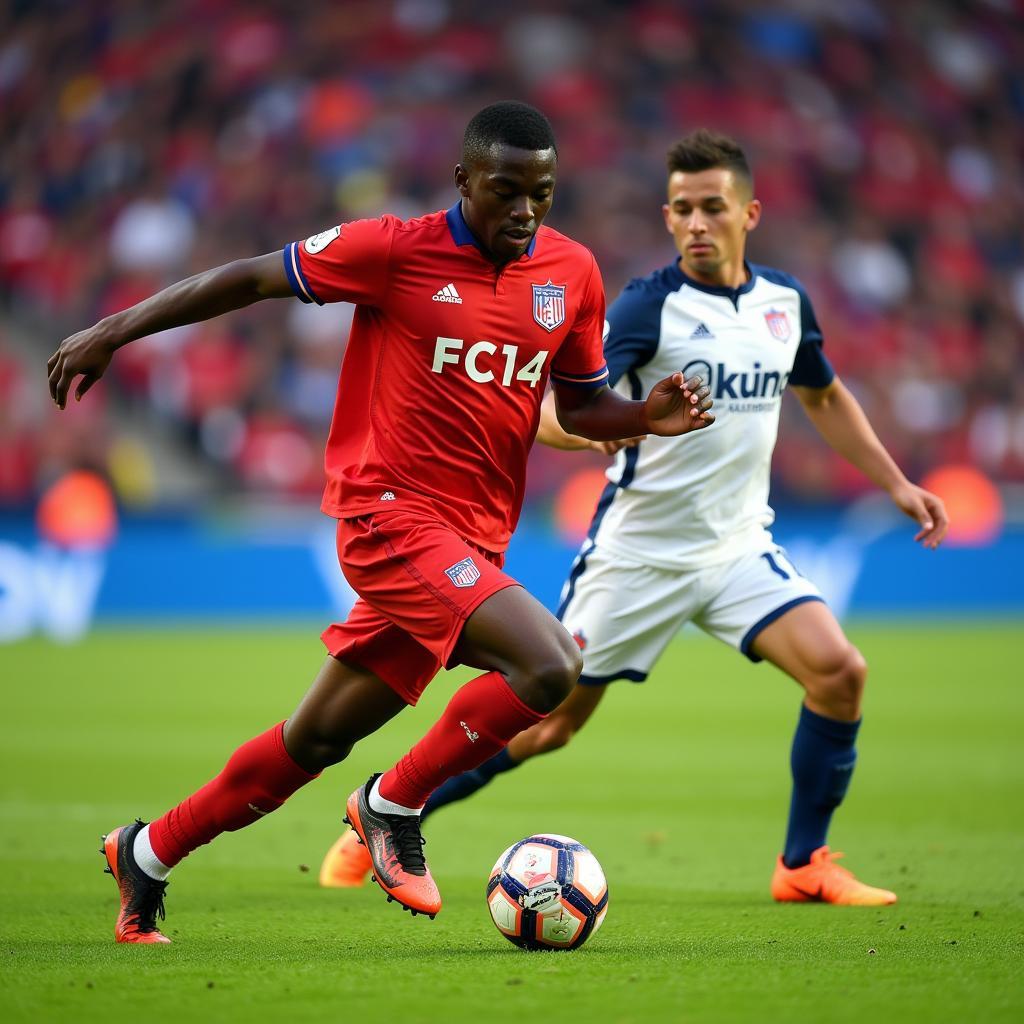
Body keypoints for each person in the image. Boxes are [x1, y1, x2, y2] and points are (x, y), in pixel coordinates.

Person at [47, 102, 714, 943]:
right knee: (551, 666)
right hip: (387, 517)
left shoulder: (571, 273)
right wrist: (114, 331)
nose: (525, 210)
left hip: (471, 540)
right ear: (463, 180)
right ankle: (392, 803)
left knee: (312, 739)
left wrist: (641, 419)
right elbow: (252, 276)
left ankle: (147, 852)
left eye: (541, 193)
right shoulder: (393, 250)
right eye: (506, 190)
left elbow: (580, 408)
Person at [319, 129, 949, 907]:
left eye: (712, 208)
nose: (695, 223)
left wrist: (895, 483)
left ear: (749, 213)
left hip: (738, 547)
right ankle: (383, 814)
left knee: (840, 672)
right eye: (681, 209)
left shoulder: (785, 304)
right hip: (637, 555)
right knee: (547, 723)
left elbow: (822, 393)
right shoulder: (649, 307)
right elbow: (557, 405)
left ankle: (803, 864)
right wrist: (601, 428)